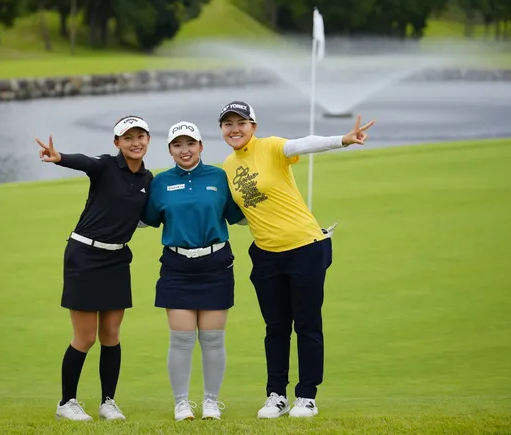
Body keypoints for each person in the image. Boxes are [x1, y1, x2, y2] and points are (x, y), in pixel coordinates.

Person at [217, 101, 375, 419]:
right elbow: (246, 212)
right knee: (275, 328)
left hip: (305, 247)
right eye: (228, 124)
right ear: (222, 129)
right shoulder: (228, 166)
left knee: (306, 324)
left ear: (253, 127)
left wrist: (342, 140)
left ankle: (306, 397)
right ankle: (276, 396)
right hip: (266, 255)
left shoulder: (272, 147)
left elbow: (305, 144)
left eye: (241, 123)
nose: (235, 129)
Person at [35, 116, 154, 422]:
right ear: (117, 143)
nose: (135, 142)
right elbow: (85, 162)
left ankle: (108, 402)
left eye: (140, 136)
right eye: (128, 138)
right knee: (85, 337)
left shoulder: (147, 179)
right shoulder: (105, 166)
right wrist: (59, 157)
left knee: (111, 334)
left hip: (117, 259)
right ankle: (66, 403)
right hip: (85, 256)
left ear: (148, 139)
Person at [140, 121, 245, 421]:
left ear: (201, 146)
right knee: (181, 339)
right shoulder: (161, 182)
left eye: (190, 144)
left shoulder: (218, 176)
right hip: (177, 266)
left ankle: (211, 402)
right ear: (170, 150)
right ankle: (181, 403)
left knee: (213, 339)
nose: (184, 150)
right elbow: (145, 220)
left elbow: (239, 216)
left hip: (215, 263)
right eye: (177, 145)